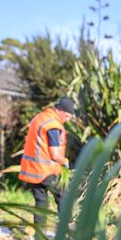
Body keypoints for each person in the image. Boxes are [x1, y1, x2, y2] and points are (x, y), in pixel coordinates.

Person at [19, 97, 74, 227]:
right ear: (59, 111)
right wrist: (65, 161)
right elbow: (55, 154)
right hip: (46, 170)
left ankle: (39, 235)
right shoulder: (53, 125)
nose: (67, 120)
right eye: (66, 116)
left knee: (41, 201)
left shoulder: (40, 117)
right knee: (63, 197)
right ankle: (68, 230)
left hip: (32, 169)